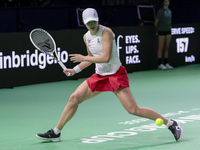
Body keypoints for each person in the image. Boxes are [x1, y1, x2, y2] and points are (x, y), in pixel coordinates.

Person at [36, 8, 182, 142]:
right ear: (83, 23)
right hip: (99, 76)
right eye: (89, 23)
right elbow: (91, 56)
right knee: (74, 98)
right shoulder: (86, 37)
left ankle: (171, 123)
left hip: (115, 75)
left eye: (94, 21)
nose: (92, 25)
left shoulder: (106, 32)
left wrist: (84, 58)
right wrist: (74, 70)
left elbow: (105, 57)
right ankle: (56, 132)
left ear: (98, 20)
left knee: (133, 110)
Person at [154, 0, 173, 70]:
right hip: (161, 31)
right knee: (161, 48)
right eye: (165, 1)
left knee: (166, 48)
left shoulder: (170, 11)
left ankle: (166, 63)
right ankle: (160, 64)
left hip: (168, 30)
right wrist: (158, 29)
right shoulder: (160, 11)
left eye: (168, 1)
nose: (166, 2)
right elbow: (156, 22)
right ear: (163, 2)